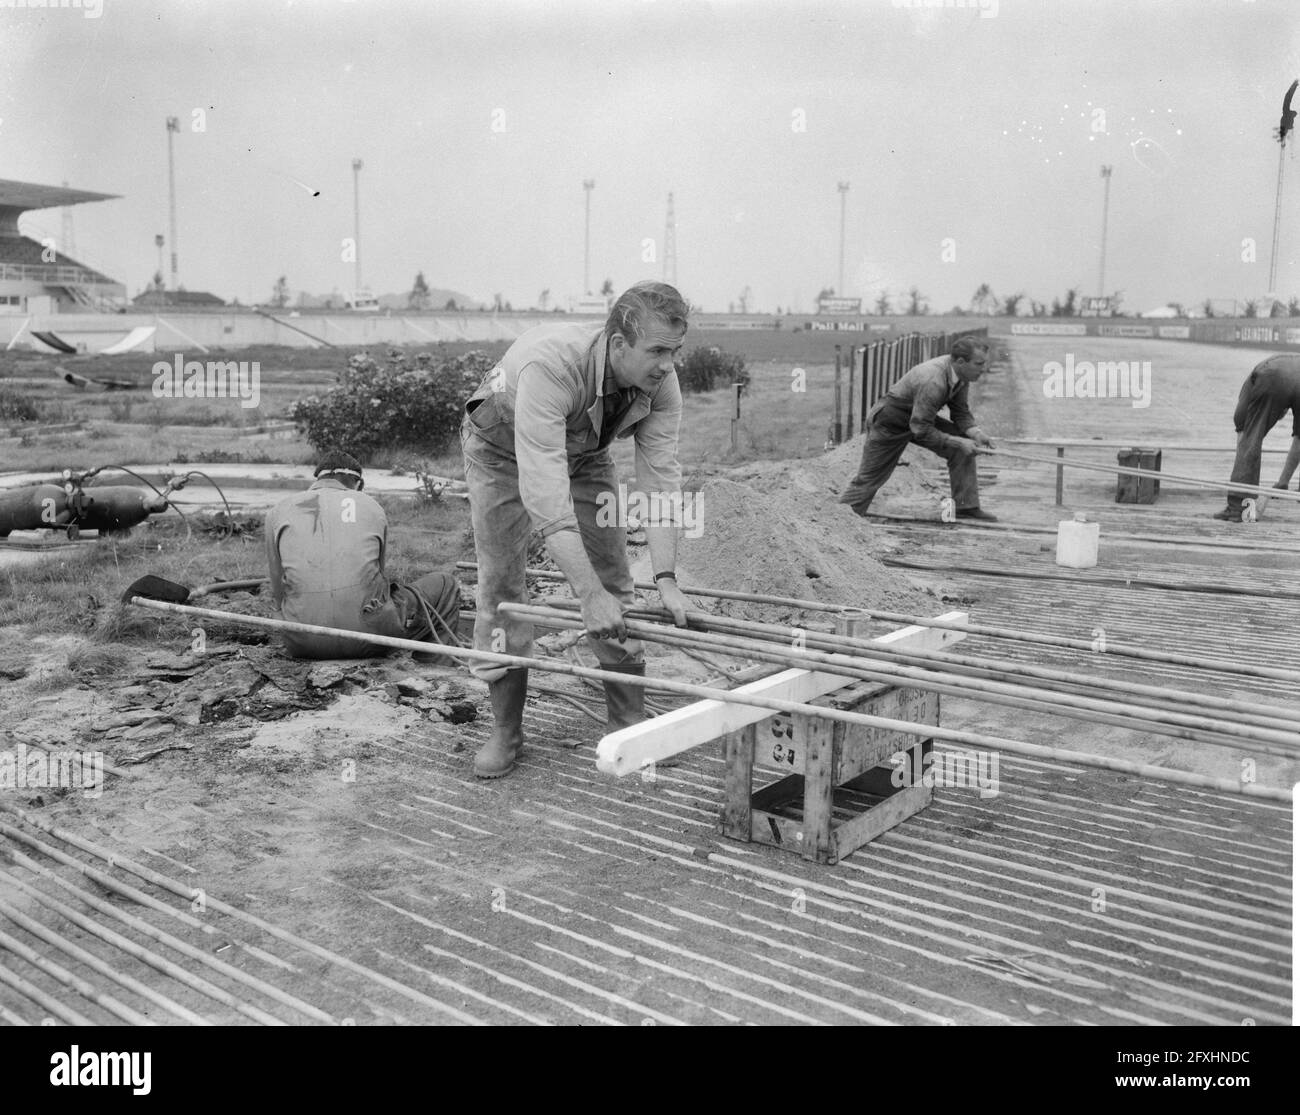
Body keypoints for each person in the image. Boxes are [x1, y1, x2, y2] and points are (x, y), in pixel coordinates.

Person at [461, 281, 693, 779]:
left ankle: (627, 727)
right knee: (502, 586)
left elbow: (659, 483)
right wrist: (586, 596)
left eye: (675, 351)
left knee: (614, 579)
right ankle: (506, 731)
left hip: (584, 452)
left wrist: (667, 580)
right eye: (656, 351)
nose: (667, 364)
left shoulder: (661, 383)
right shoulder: (552, 367)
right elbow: (548, 502)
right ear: (617, 345)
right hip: (499, 448)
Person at [264, 450, 462, 660]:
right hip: (370, 640)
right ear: (358, 483)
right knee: (445, 584)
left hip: (300, 642)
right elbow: (377, 580)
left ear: (318, 479)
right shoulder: (371, 507)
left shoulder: (278, 511)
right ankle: (434, 671)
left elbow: (277, 591)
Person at [838, 337, 998, 521]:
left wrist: (975, 433)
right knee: (870, 478)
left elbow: (960, 411)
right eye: (979, 364)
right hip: (890, 421)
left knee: (961, 445)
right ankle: (841, 519)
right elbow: (920, 429)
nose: (983, 369)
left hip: (919, 417)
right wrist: (958, 442)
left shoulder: (961, 374)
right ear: (961, 362)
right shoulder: (933, 380)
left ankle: (965, 505)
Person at [1214, 353, 1300, 521]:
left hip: (1275, 376)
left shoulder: (1252, 386)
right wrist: (1282, 483)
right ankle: (1282, 484)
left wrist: (1243, 480)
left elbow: (1244, 438)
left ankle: (1238, 508)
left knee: (1250, 437)